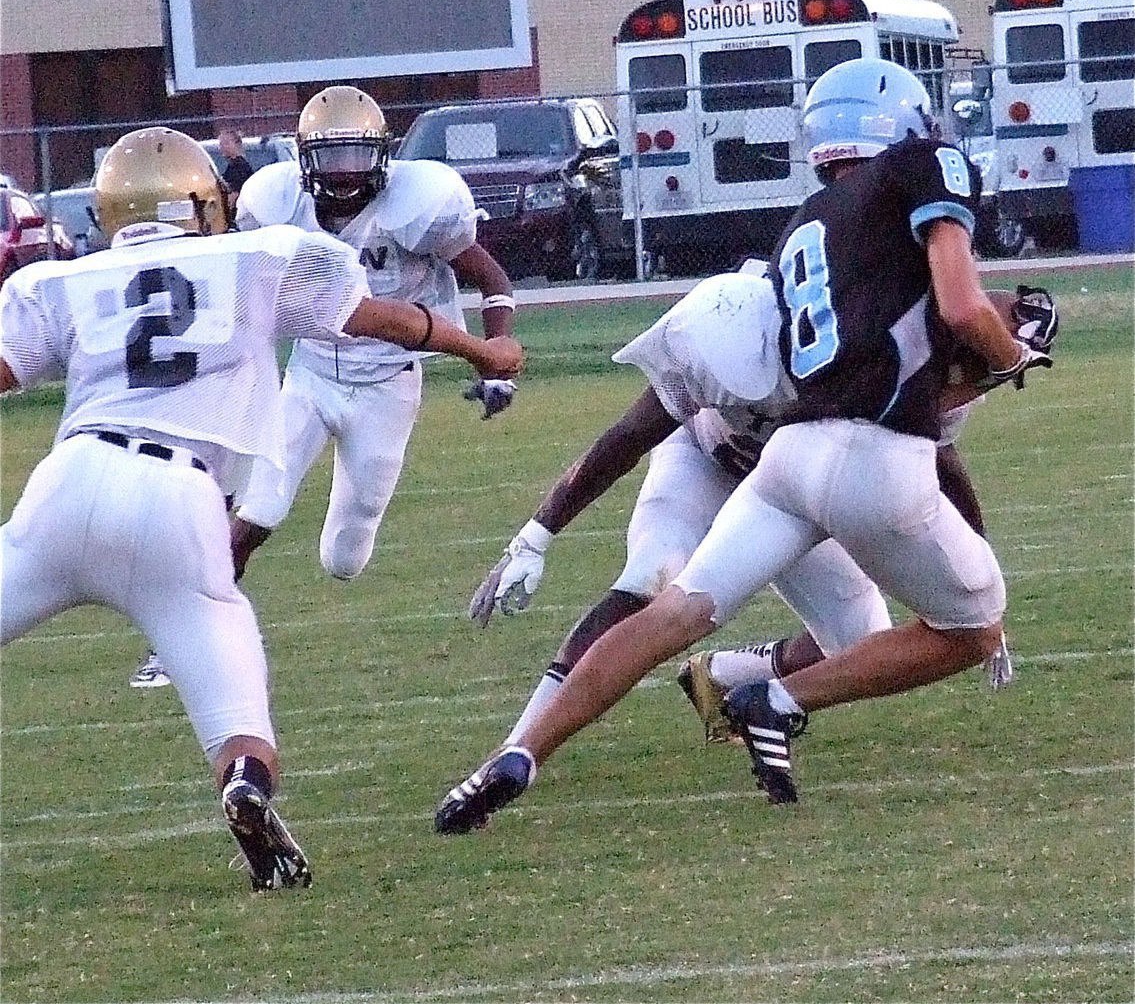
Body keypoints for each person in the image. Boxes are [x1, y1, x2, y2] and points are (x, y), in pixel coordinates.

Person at [433, 56, 1053, 831]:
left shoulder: (805, 228)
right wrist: (1010, 357)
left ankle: (520, 755)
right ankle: (775, 699)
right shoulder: (924, 164)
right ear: (904, 127)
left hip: (787, 462)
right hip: (868, 460)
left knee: (672, 616)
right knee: (970, 632)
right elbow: (962, 309)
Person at [0, 126, 523, 889]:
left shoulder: (61, 279)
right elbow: (383, 319)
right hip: (180, 500)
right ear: (204, 203)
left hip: (66, 481)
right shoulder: (258, 257)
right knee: (235, 702)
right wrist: (482, 351)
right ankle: (244, 783)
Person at [129, 85, 517, 688]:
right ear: (304, 158)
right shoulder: (275, 202)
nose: (342, 172)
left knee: (344, 557)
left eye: (356, 155)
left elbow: (491, 278)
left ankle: (319, 551)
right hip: (310, 373)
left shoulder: (420, 205)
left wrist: (496, 353)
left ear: (382, 156)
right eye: (330, 155)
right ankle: (180, 639)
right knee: (260, 506)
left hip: (388, 383)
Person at [216, 125, 254, 202]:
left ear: (236, 144)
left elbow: (234, 194)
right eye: (221, 144)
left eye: (226, 143)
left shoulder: (239, 167)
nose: (222, 147)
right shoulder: (233, 165)